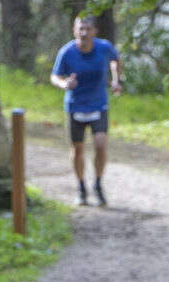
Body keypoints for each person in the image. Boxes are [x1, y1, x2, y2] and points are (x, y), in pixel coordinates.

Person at [50, 14, 123, 206]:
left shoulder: (104, 47)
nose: (83, 32)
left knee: (100, 146)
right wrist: (65, 83)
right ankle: (81, 187)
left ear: (94, 31)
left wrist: (116, 79)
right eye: (80, 29)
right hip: (75, 106)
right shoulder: (67, 52)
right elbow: (55, 76)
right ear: (74, 31)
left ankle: (98, 184)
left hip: (98, 104)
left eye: (87, 29)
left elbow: (115, 59)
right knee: (78, 148)